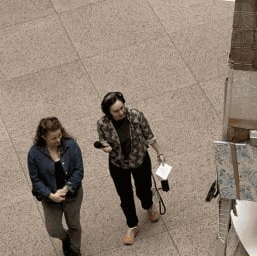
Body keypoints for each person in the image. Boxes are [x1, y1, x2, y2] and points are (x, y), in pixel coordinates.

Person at [97, 91, 165, 245]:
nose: (121, 112)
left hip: (139, 158)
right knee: (125, 195)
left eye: (122, 107)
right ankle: (132, 225)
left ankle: (148, 204)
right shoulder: (102, 124)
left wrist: (159, 153)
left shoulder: (136, 116)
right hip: (118, 164)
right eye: (116, 111)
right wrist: (105, 146)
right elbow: (102, 139)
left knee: (143, 188)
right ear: (108, 112)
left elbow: (149, 135)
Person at [27, 117, 84, 256]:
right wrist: (50, 195)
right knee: (53, 229)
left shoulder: (71, 146)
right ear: (43, 136)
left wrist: (66, 189)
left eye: (59, 135)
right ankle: (66, 239)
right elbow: (35, 180)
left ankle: (75, 250)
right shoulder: (34, 154)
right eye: (54, 138)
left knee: (74, 225)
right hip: (50, 198)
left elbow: (78, 171)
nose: (59, 140)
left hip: (72, 195)